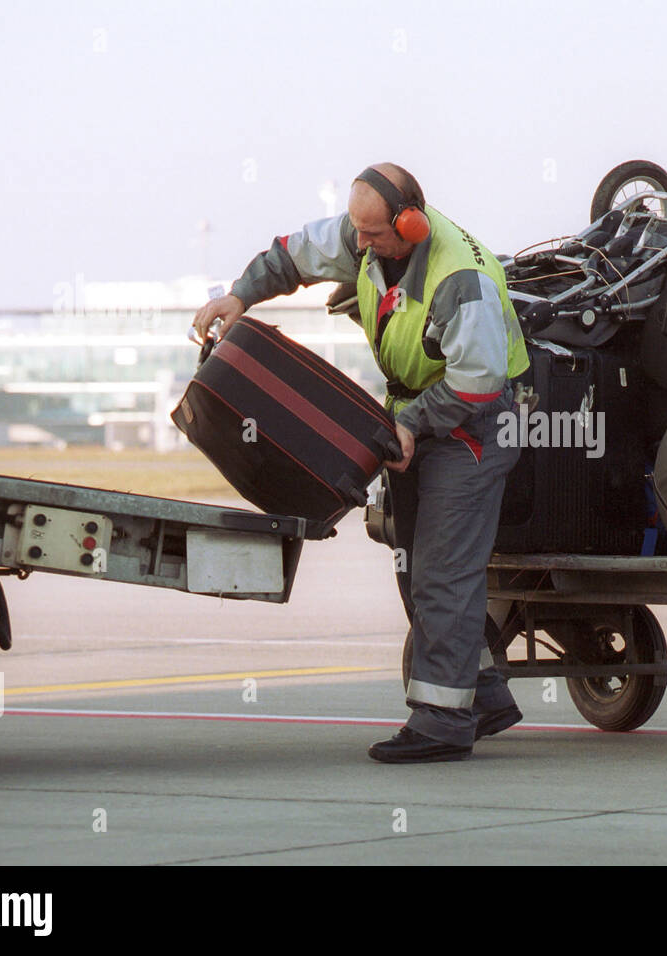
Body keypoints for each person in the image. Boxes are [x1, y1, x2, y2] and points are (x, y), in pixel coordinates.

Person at [193, 163, 530, 763]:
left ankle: (443, 724)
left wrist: (410, 423)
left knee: (444, 573)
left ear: (411, 224)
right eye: (359, 233)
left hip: (471, 426)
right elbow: (291, 256)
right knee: (413, 566)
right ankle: (481, 693)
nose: (362, 246)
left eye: (375, 236)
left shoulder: (462, 281)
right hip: (415, 412)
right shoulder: (367, 234)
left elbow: (478, 384)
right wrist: (239, 295)